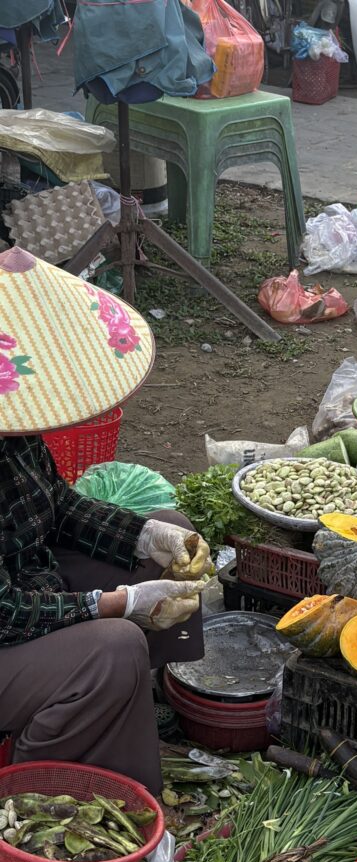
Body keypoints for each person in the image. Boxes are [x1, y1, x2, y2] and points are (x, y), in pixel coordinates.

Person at [0, 247, 211, 796]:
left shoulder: (12, 423)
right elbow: (4, 614)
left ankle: (136, 704)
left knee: (168, 525)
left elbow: (58, 505)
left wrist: (148, 534)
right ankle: (46, 790)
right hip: (8, 625)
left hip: (32, 582)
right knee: (114, 647)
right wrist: (115, 604)